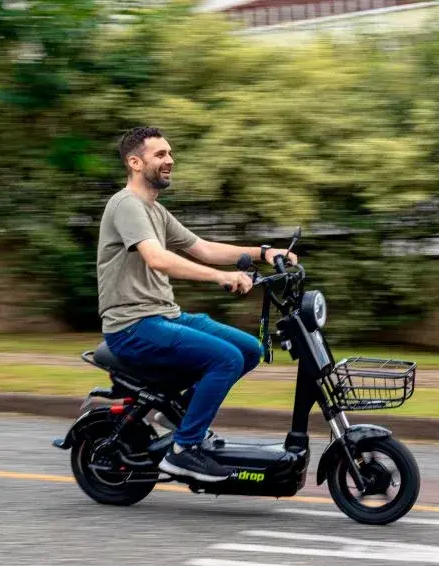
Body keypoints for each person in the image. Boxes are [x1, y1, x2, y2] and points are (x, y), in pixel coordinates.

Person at [97, 126, 297, 483]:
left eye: (170, 154)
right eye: (160, 155)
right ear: (134, 162)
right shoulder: (126, 204)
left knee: (248, 349)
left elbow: (203, 248)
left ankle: (177, 417)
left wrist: (265, 253)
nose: (170, 160)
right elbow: (157, 259)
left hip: (164, 316)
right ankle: (184, 450)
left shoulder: (154, 210)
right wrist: (220, 277)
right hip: (132, 325)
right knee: (226, 358)